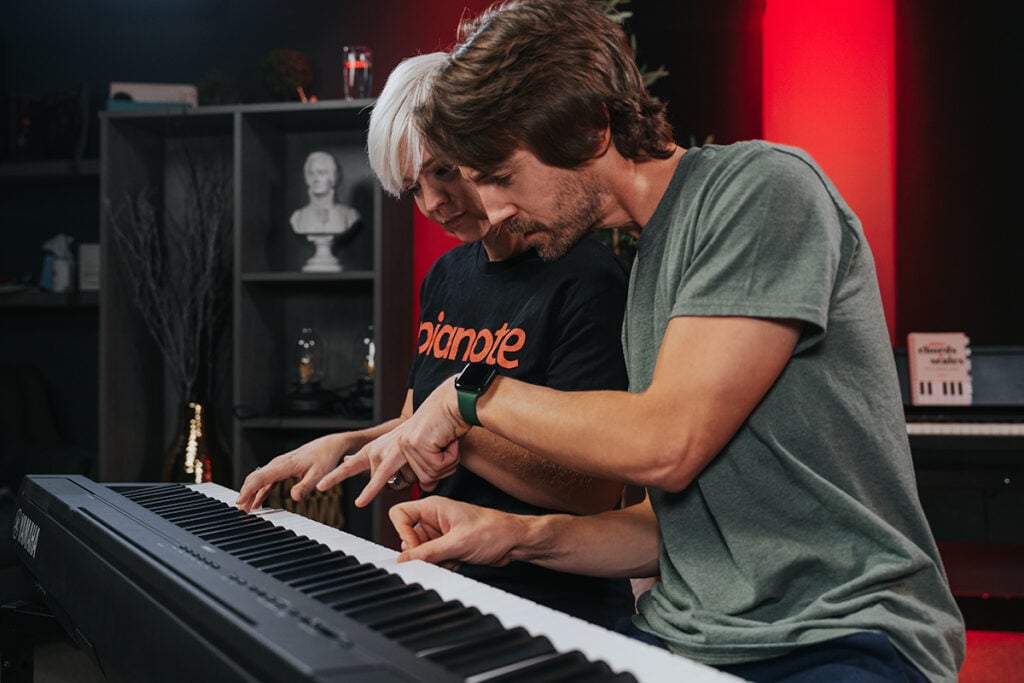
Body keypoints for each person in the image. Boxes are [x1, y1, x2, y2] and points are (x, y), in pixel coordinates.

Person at [329, 1, 967, 681]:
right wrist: (514, 535)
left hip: (842, 633)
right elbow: (674, 532)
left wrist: (469, 394)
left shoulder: (761, 189)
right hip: (687, 638)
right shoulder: (648, 278)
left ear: (586, 129)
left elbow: (669, 443)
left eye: (502, 177)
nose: (494, 210)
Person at [237, 52, 636, 628]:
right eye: (412, 188)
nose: (433, 204)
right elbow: (414, 421)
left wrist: (458, 425)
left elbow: (593, 490)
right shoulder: (446, 277)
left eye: (444, 171)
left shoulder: (587, 278)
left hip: (558, 607)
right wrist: (346, 445)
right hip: (445, 583)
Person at [290, 150, 360, 236]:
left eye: (321, 173)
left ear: (333, 177)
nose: (315, 179)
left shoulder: (350, 216)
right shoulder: (298, 217)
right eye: (311, 173)